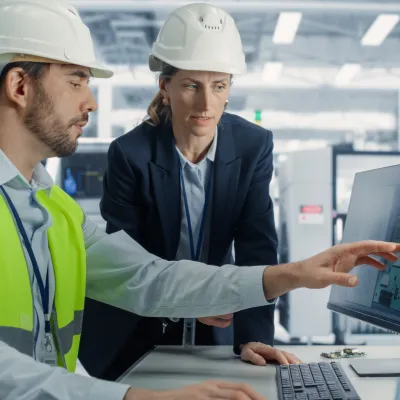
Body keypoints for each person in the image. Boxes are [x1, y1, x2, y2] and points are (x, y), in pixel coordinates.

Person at [0, 1, 398, 400]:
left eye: (219, 85)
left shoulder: (56, 209)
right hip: (130, 338)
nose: (92, 101)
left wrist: (293, 275)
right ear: (20, 86)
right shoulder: (130, 153)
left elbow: (148, 277)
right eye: (76, 80)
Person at [80, 3, 284, 380]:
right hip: (137, 323)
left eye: (218, 86)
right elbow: (128, 260)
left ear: (228, 90)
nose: (206, 103)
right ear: (166, 87)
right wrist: (186, 300)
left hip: (218, 318)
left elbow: (257, 245)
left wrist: (253, 336)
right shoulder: (130, 154)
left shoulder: (253, 146)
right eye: (192, 85)